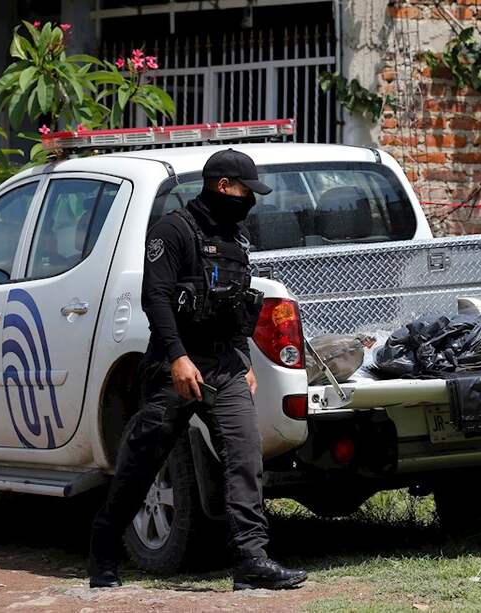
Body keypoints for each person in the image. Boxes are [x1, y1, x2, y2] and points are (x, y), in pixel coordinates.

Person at [88, 149, 308, 591]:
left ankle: (251, 560)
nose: (252, 199)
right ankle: (104, 550)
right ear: (223, 186)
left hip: (224, 365)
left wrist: (243, 359)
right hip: (176, 364)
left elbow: (234, 304)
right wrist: (177, 357)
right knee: (143, 461)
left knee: (244, 457)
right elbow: (157, 298)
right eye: (247, 190)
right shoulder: (173, 231)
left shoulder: (236, 237)